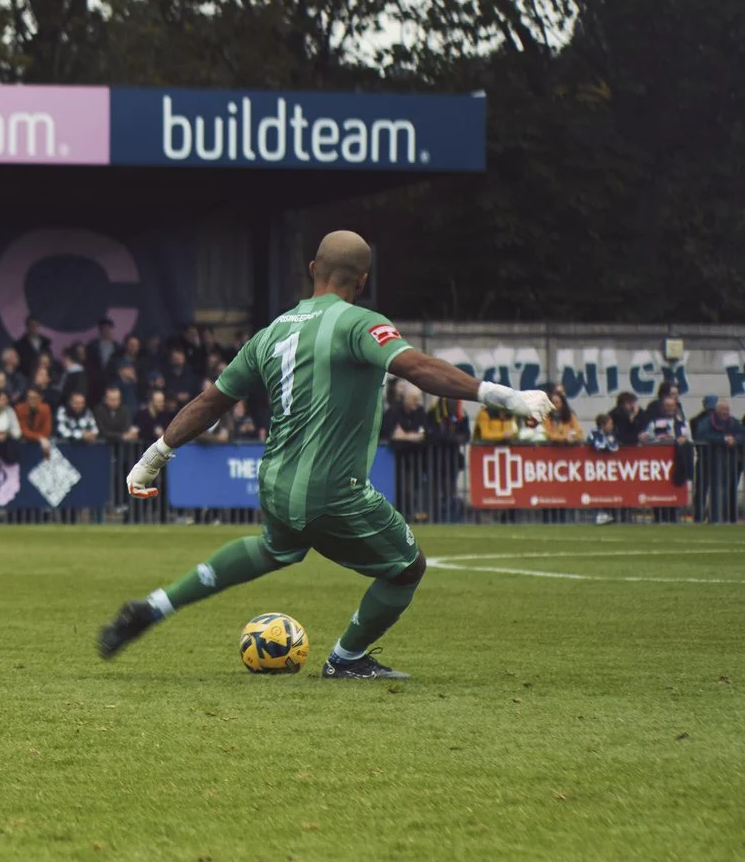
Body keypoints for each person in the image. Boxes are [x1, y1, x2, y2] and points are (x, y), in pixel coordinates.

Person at [99, 231, 552, 680]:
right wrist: (506, 397)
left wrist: (153, 456)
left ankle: (156, 605)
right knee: (407, 568)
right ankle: (347, 659)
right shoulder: (359, 323)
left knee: (274, 547)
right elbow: (416, 366)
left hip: (276, 483)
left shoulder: (270, 333)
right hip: (334, 491)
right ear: (363, 280)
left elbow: (209, 403)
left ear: (312, 270)